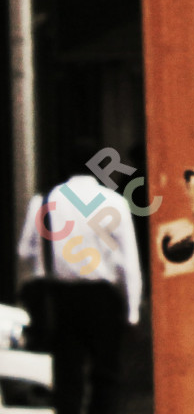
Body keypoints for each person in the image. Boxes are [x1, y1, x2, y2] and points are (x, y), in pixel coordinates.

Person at [15, 141, 140, 414]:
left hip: (61, 296)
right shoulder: (114, 203)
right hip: (102, 298)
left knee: (66, 372)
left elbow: (24, 250)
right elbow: (128, 264)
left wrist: (48, 261)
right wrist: (131, 312)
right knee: (106, 373)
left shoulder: (43, 202)